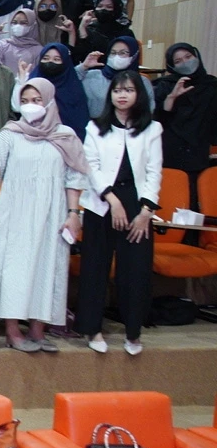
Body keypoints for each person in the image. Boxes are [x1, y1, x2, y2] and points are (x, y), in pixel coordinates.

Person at [0, 78, 89, 351]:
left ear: (49, 101)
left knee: (48, 267)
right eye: (25, 101)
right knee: (14, 269)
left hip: (52, 213)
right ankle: (12, 329)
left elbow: (74, 177)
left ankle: (38, 329)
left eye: (37, 101)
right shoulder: (9, 134)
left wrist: (73, 213)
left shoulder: (65, 135)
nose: (31, 106)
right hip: (14, 212)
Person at [77, 72, 163, 355]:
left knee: (135, 270)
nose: (121, 95)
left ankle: (133, 331)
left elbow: (154, 172)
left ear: (138, 94)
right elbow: (91, 166)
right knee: (95, 267)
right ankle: (92, 329)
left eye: (128, 90)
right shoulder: (95, 127)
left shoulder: (152, 129)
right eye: (117, 90)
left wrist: (146, 211)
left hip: (137, 203)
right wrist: (111, 199)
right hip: (102, 201)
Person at [154, 44, 215, 206]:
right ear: (171, 66)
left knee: (193, 204)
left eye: (188, 57)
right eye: (178, 61)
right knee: (169, 203)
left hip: (197, 154)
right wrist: (171, 99)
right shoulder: (163, 86)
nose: (185, 62)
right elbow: (155, 121)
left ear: (197, 56)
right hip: (168, 154)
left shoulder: (211, 86)